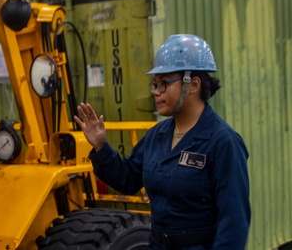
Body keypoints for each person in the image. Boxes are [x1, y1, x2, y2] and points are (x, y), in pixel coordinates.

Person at [75, 34, 250, 249]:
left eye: (164, 84)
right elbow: (127, 179)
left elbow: (234, 223)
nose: (156, 92)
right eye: (155, 85)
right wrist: (101, 146)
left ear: (193, 84)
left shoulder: (222, 143)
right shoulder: (156, 135)